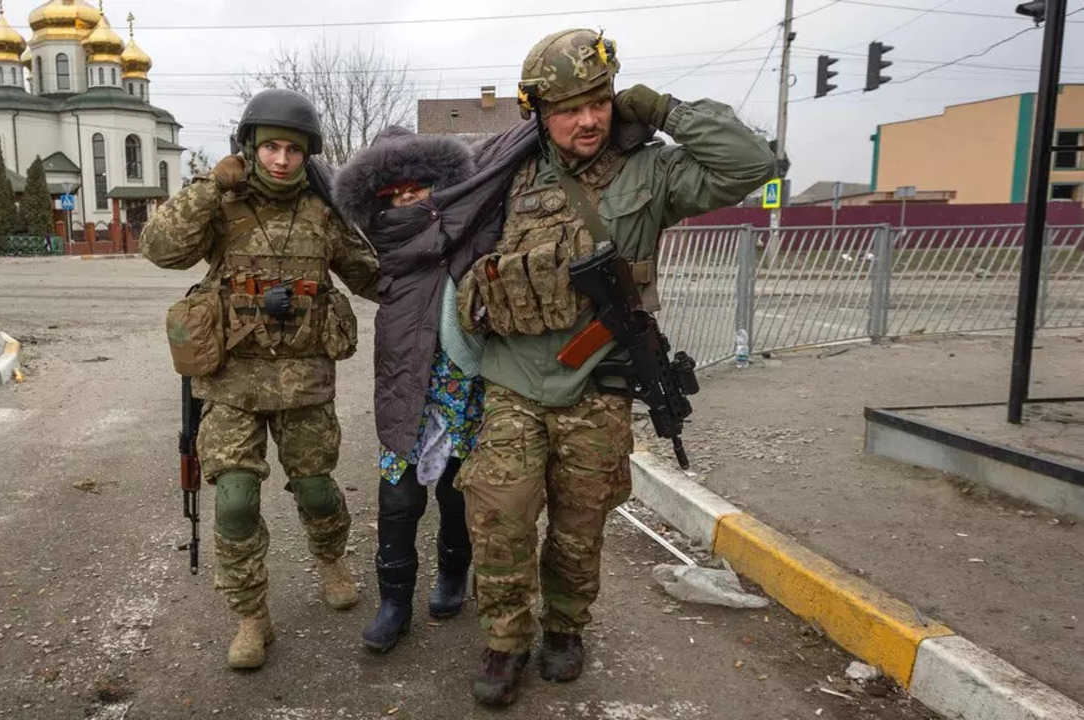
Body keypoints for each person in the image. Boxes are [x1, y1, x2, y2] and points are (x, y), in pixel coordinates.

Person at [454, 28, 778, 705]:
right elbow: (445, 248)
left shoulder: (649, 172)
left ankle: (566, 628)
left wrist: (662, 109)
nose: (589, 119)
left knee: (580, 524)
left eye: (599, 100)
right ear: (538, 112)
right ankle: (505, 639)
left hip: (597, 384)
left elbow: (751, 163)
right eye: (569, 107)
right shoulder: (503, 174)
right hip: (512, 381)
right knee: (499, 520)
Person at [140, 88, 380, 670]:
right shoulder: (222, 204)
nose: (280, 160)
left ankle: (331, 559)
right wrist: (208, 186)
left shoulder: (324, 210)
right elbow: (158, 248)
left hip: (304, 384)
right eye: (269, 147)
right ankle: (252, 616)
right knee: (237, 501)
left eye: (292, 150)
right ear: (248, 148)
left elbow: (372, 274)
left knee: (319, 491)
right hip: (231, 384)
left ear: (307, 155)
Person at [333, 124, 536, 652]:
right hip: (407, 391)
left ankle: (451, 576)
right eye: (393, 194)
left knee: (453, 492)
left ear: (437, 184)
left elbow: (500, 158)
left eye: (415, 188)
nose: (405, 199)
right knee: (398, 498)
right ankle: (394, 604)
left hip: (463, 387)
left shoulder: (474, 227)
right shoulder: (385, 252)